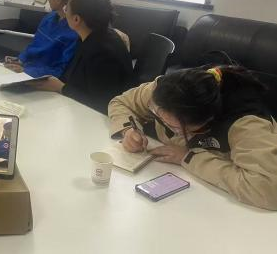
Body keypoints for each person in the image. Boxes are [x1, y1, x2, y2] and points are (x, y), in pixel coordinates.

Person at [108, 67, 277, 210]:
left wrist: (188, 157)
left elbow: (266, 189)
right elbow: (122, 102)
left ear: (206, 121)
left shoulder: (247, 124)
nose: (163, 124)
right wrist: (129, 130)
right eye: (157, 115)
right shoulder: (167, 92)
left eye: (175, 127)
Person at [31, 0, 133, 113]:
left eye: (66, 8)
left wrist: (61, 88)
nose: (64, 12)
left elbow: (102, 104)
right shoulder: (90, 36)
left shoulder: (103, 53)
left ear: (76, 19)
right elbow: (73, 77)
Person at [4, 0, 81, 77]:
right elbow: (34, 45)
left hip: (41, 78)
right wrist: (20, 59)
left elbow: (60, 71)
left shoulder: (74, 32)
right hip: (26, 69)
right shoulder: (49, 18)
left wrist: (25, 71)